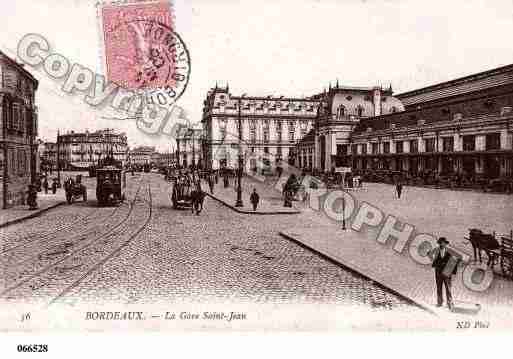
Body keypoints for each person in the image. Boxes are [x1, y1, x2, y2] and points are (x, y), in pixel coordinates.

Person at [429, 237, 458, 310]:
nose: (443, 244)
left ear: (445, 244)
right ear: (439, 243)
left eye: (444, 243)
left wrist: (452, 270)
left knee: (448, 288)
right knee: (439, 287)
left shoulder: (449, 251)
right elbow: (429, 254)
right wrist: (433, 261)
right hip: (438, 271)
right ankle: (439, 302)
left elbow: (455, 259)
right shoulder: (436, 250)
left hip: (447, 272)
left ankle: (450, 303)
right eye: (441, 243)